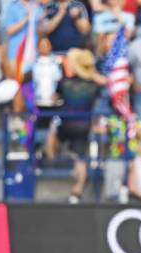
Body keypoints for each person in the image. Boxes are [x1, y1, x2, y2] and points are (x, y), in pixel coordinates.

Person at [44, 48, 102, 204]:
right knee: (80, 159)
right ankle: (76, 193)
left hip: (67, 124)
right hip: (83, 126)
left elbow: (53, 98)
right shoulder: (93, 86)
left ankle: (51, 160)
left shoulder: (64, 83)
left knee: (51, 132)